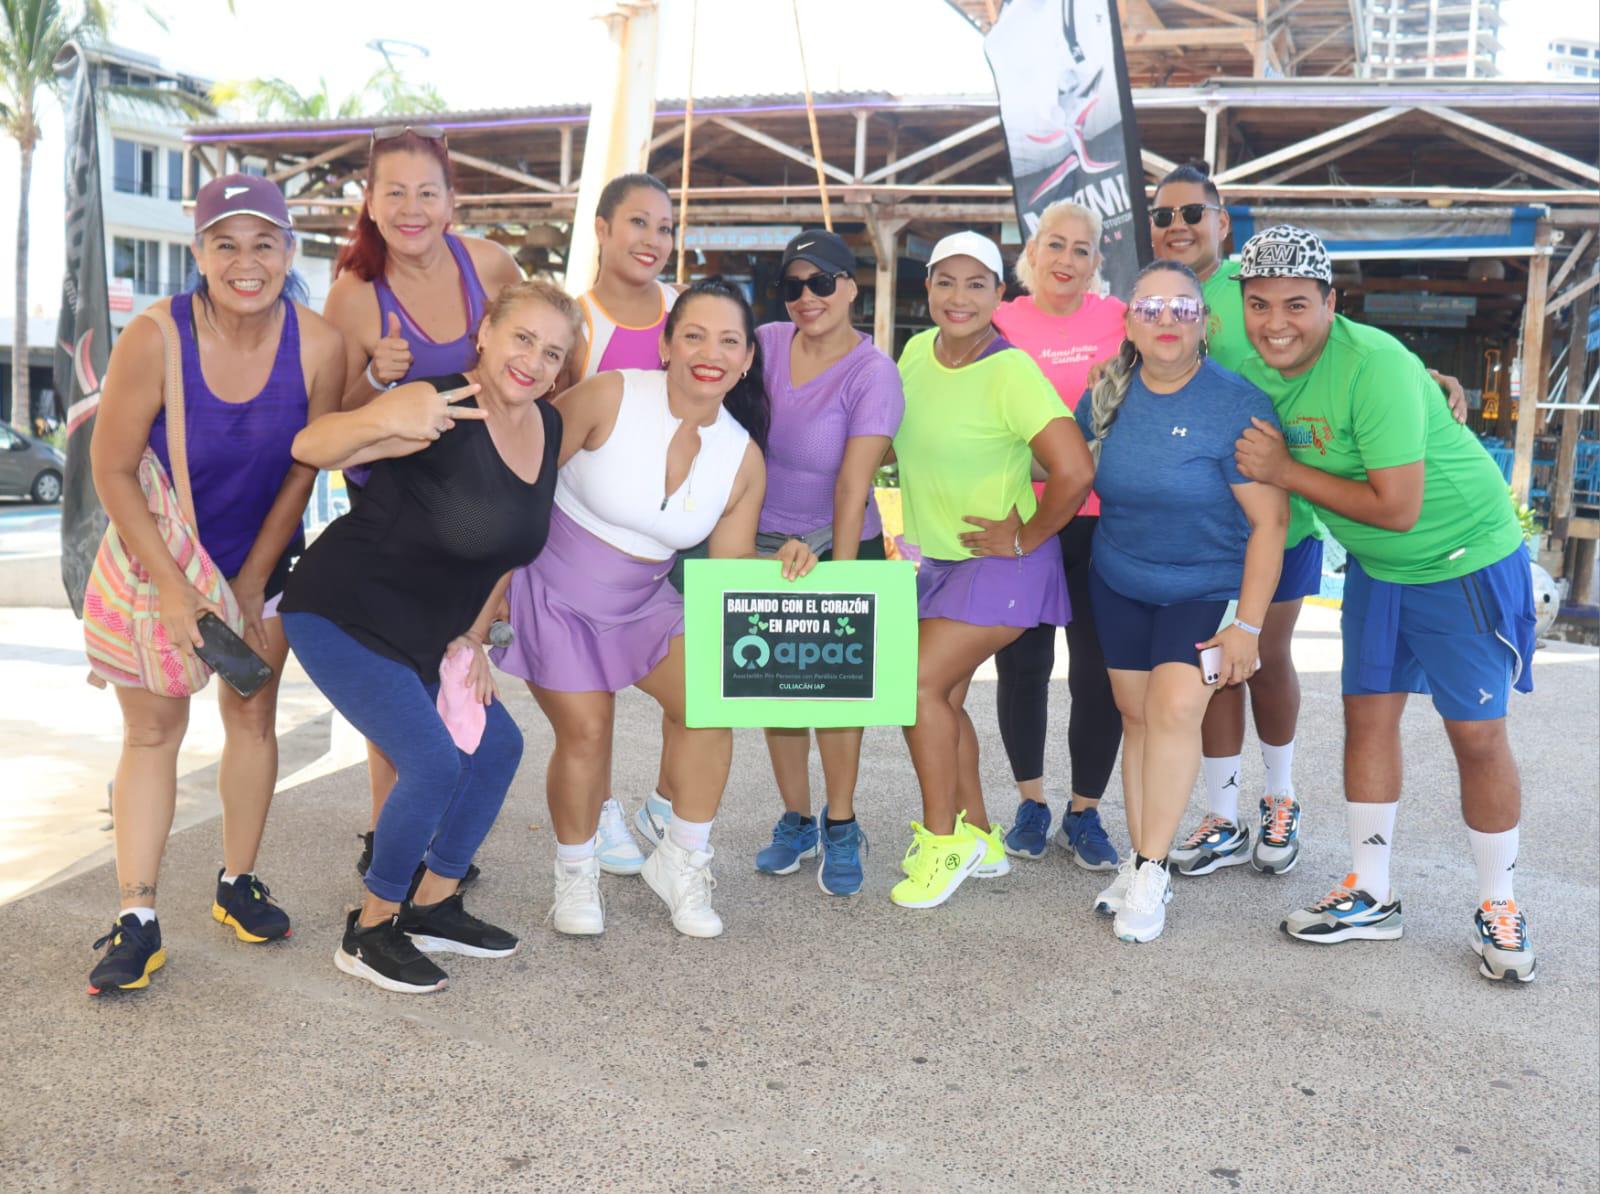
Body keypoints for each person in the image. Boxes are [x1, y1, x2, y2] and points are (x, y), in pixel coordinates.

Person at [1231, 226, 1538, 983]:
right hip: (1378, 568)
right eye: (1260, 303)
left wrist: (1284, 470)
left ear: (1331, 303)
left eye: (1297, 304)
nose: (1276, 322)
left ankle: (1499, 901)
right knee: (1367, 718)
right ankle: (1371, 890)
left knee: (1476, 735)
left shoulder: (1376, 364)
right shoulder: (1250, 364)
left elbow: (1396, 506)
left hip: (1462, 557)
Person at [1152, 161, 1472, 882]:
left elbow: (1342, 339)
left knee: (1263, 659)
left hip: (1280, 521)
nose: (1177, 226)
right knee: (1213, 668)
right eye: (1163, 215)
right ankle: (1224, 814)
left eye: (1191, 213)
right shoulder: (1155, 298)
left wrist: (1429, 382)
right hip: (1203, 527)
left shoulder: (1261, 276)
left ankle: (1281, 796)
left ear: (1221, 220)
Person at [492, 278, 817, 939]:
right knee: (586, 730)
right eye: (694, 335)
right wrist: (483, 582)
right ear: (667, 343)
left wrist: (785, 560)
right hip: (552, 586)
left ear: (747, 360)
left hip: (643, 600)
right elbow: (517, 475)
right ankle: (576, 872)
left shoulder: (743, 458)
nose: (711, 352)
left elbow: (725, 568)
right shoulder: (610, 393)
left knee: (710, 702)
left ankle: (681, 859)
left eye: (729, 341)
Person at [279, 280, 579, 993]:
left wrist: (473, 640)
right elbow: (311, 444)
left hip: (430, 633)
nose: (533, 362)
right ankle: (371, 927)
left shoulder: (549, 427)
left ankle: (434, 904)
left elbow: (507, 550)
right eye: (522, 339)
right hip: (343, 612)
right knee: (434, 763)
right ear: (486, 334)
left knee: (498, 745)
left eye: (553, 353)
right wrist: (386, 410)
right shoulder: (437, 402)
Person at [85, 175, 345, 996]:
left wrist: (253, 580)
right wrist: (174, 588)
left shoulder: (320, 344)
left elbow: (307, 467)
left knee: (252, 716)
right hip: (162, 562)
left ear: (289, 253)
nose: (246, 261)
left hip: (259, 561)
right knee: (154, 734)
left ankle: (237, 884)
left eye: (264, 243)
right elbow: (112, 466)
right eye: (225, 243)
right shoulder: (156, 337)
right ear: (199, 253)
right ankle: (138, 918)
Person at [321, 124, 522, 885]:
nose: (411, 208)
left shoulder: (491, 265)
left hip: (470, 522)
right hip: (394, 526)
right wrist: (375, 378)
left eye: (426, 193)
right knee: (399, 692)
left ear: (452, 201)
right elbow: (328, 420)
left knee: (453, 678)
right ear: (369, 204)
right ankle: (388, 837)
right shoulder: (353, 294)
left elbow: (539, 354)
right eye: (394, 192)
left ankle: (434, 837)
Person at [1083, 260, 1287, 944]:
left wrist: (1249, 626)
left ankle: (1149, 869)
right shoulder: (1106, 393)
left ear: (1207, 323)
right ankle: (1142, 857)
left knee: (1173, 710)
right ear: (1129, 323)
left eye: (1181, 308)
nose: (1165, 320)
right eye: (1149, 308)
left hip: (1205, 586)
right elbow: (1060, 467)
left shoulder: (1237, 405)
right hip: (1119, 579)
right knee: (1136, 718)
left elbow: (1271, 522)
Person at [889, 231, 1094, 910]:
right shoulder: (916, 353)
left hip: (1000, 564)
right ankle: (980, 835)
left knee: (913, 686)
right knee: (939, 696)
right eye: (945, 281)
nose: (959, 297)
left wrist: (1025, 535)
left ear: (999, 296)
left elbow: (1074, 470)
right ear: (927, 290)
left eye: (977, 284)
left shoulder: (1012, 371)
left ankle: (942, 841)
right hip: (934, 563)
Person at [747, 229, 904, 897]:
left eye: (821, 282)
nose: (806, 297)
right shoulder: (762, 344)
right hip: (757, 542)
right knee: (776, 693)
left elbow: (854, 483)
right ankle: (796, 819)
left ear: (851, 286)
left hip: (839, 542)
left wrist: (837, 581)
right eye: (793, 285)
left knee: (836, 694)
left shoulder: (874, 372)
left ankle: (842, 823)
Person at [988, 199, 1126, 871]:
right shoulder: (999, 321)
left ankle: (1085, 812)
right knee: (1022, 667)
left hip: (1103, 520)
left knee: (1098, 673)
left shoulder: (1120, 320)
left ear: (1097, 262)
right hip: (1024, 519)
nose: (1067, 259)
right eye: (1055, 244)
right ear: (1031, 252)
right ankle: (1031, 803)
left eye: (1082, 248)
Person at [563, 172, 682, 875]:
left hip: (671, 536)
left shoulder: (683, 309)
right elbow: (550, 439)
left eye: (666, 228)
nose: (653, 240)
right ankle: (599, 806)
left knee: (697, 688)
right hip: (584, 541)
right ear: (602, 229)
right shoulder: (576, 322)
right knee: (593, 694)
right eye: (639, 223)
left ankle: (664, 803)